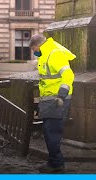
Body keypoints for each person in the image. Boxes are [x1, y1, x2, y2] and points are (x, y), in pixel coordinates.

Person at [29, 34, 75, 173]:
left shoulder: (54, 54)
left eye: (34, 49)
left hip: (57, 100)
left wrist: (61, 95)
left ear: (38, 45)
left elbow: (68, 75)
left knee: (52, 132)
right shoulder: (47, 53)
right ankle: (54, 162)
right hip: (50, 100)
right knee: (49, 132)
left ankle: (56, 164)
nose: (34, 52)